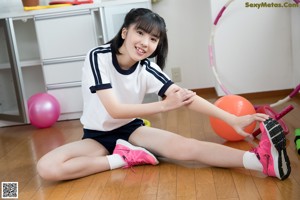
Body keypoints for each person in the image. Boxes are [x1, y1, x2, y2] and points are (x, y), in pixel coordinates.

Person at [37, 8, 291, 181]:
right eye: (140, 33)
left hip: (132, 130)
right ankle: (123, 159)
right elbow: (114, 109)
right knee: (47, 168)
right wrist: (163, 107)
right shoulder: (98, 57)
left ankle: (261, 162)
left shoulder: (148, 67)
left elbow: (184, 97)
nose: (145, 43)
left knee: (187, 147)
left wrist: (231, 119)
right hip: (96, 137)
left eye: (153, 39)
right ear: (125, 32)